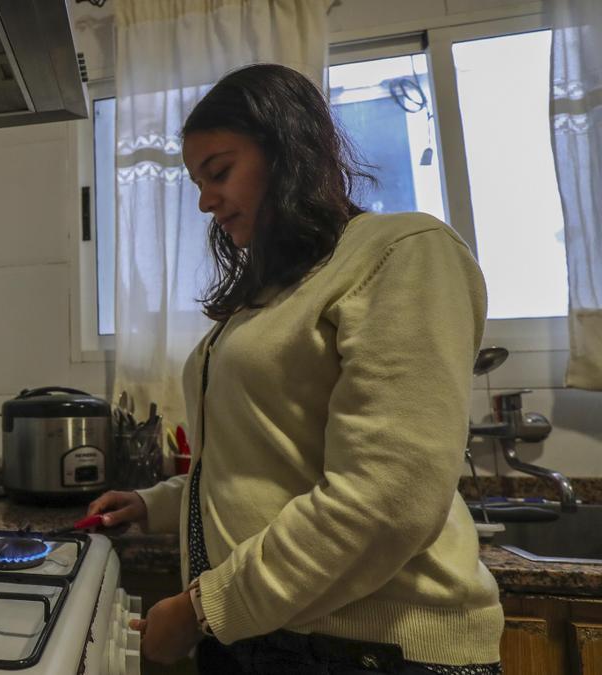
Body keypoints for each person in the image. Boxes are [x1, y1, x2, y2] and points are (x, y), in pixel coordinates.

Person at [87, 63, 504, 674]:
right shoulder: (269, 297)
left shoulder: (402, 250)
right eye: (197, 182)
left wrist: (203, 609)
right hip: (264, 634)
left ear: (287, 151)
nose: (205, 202)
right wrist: (157, 503)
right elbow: (266, 464)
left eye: (220, 172)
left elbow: (388, 497)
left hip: (371, 652)